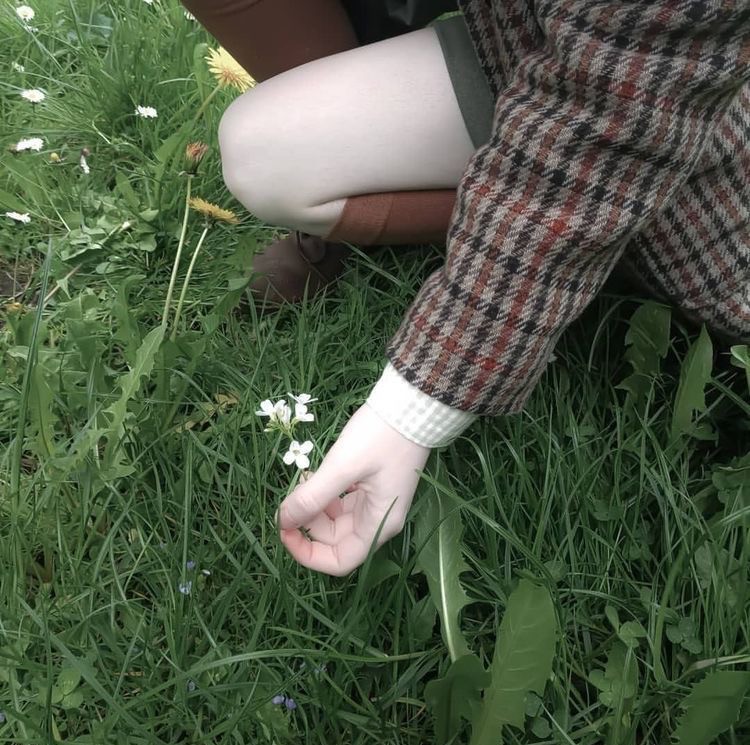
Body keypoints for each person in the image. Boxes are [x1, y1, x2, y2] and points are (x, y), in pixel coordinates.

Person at [183, 0, 750, 576]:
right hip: (518, 27)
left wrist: (411, 412)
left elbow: (615, 111)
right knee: (264, 149)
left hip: (648, 79)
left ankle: (532, 237)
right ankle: (473, 202)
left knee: (263, 152)